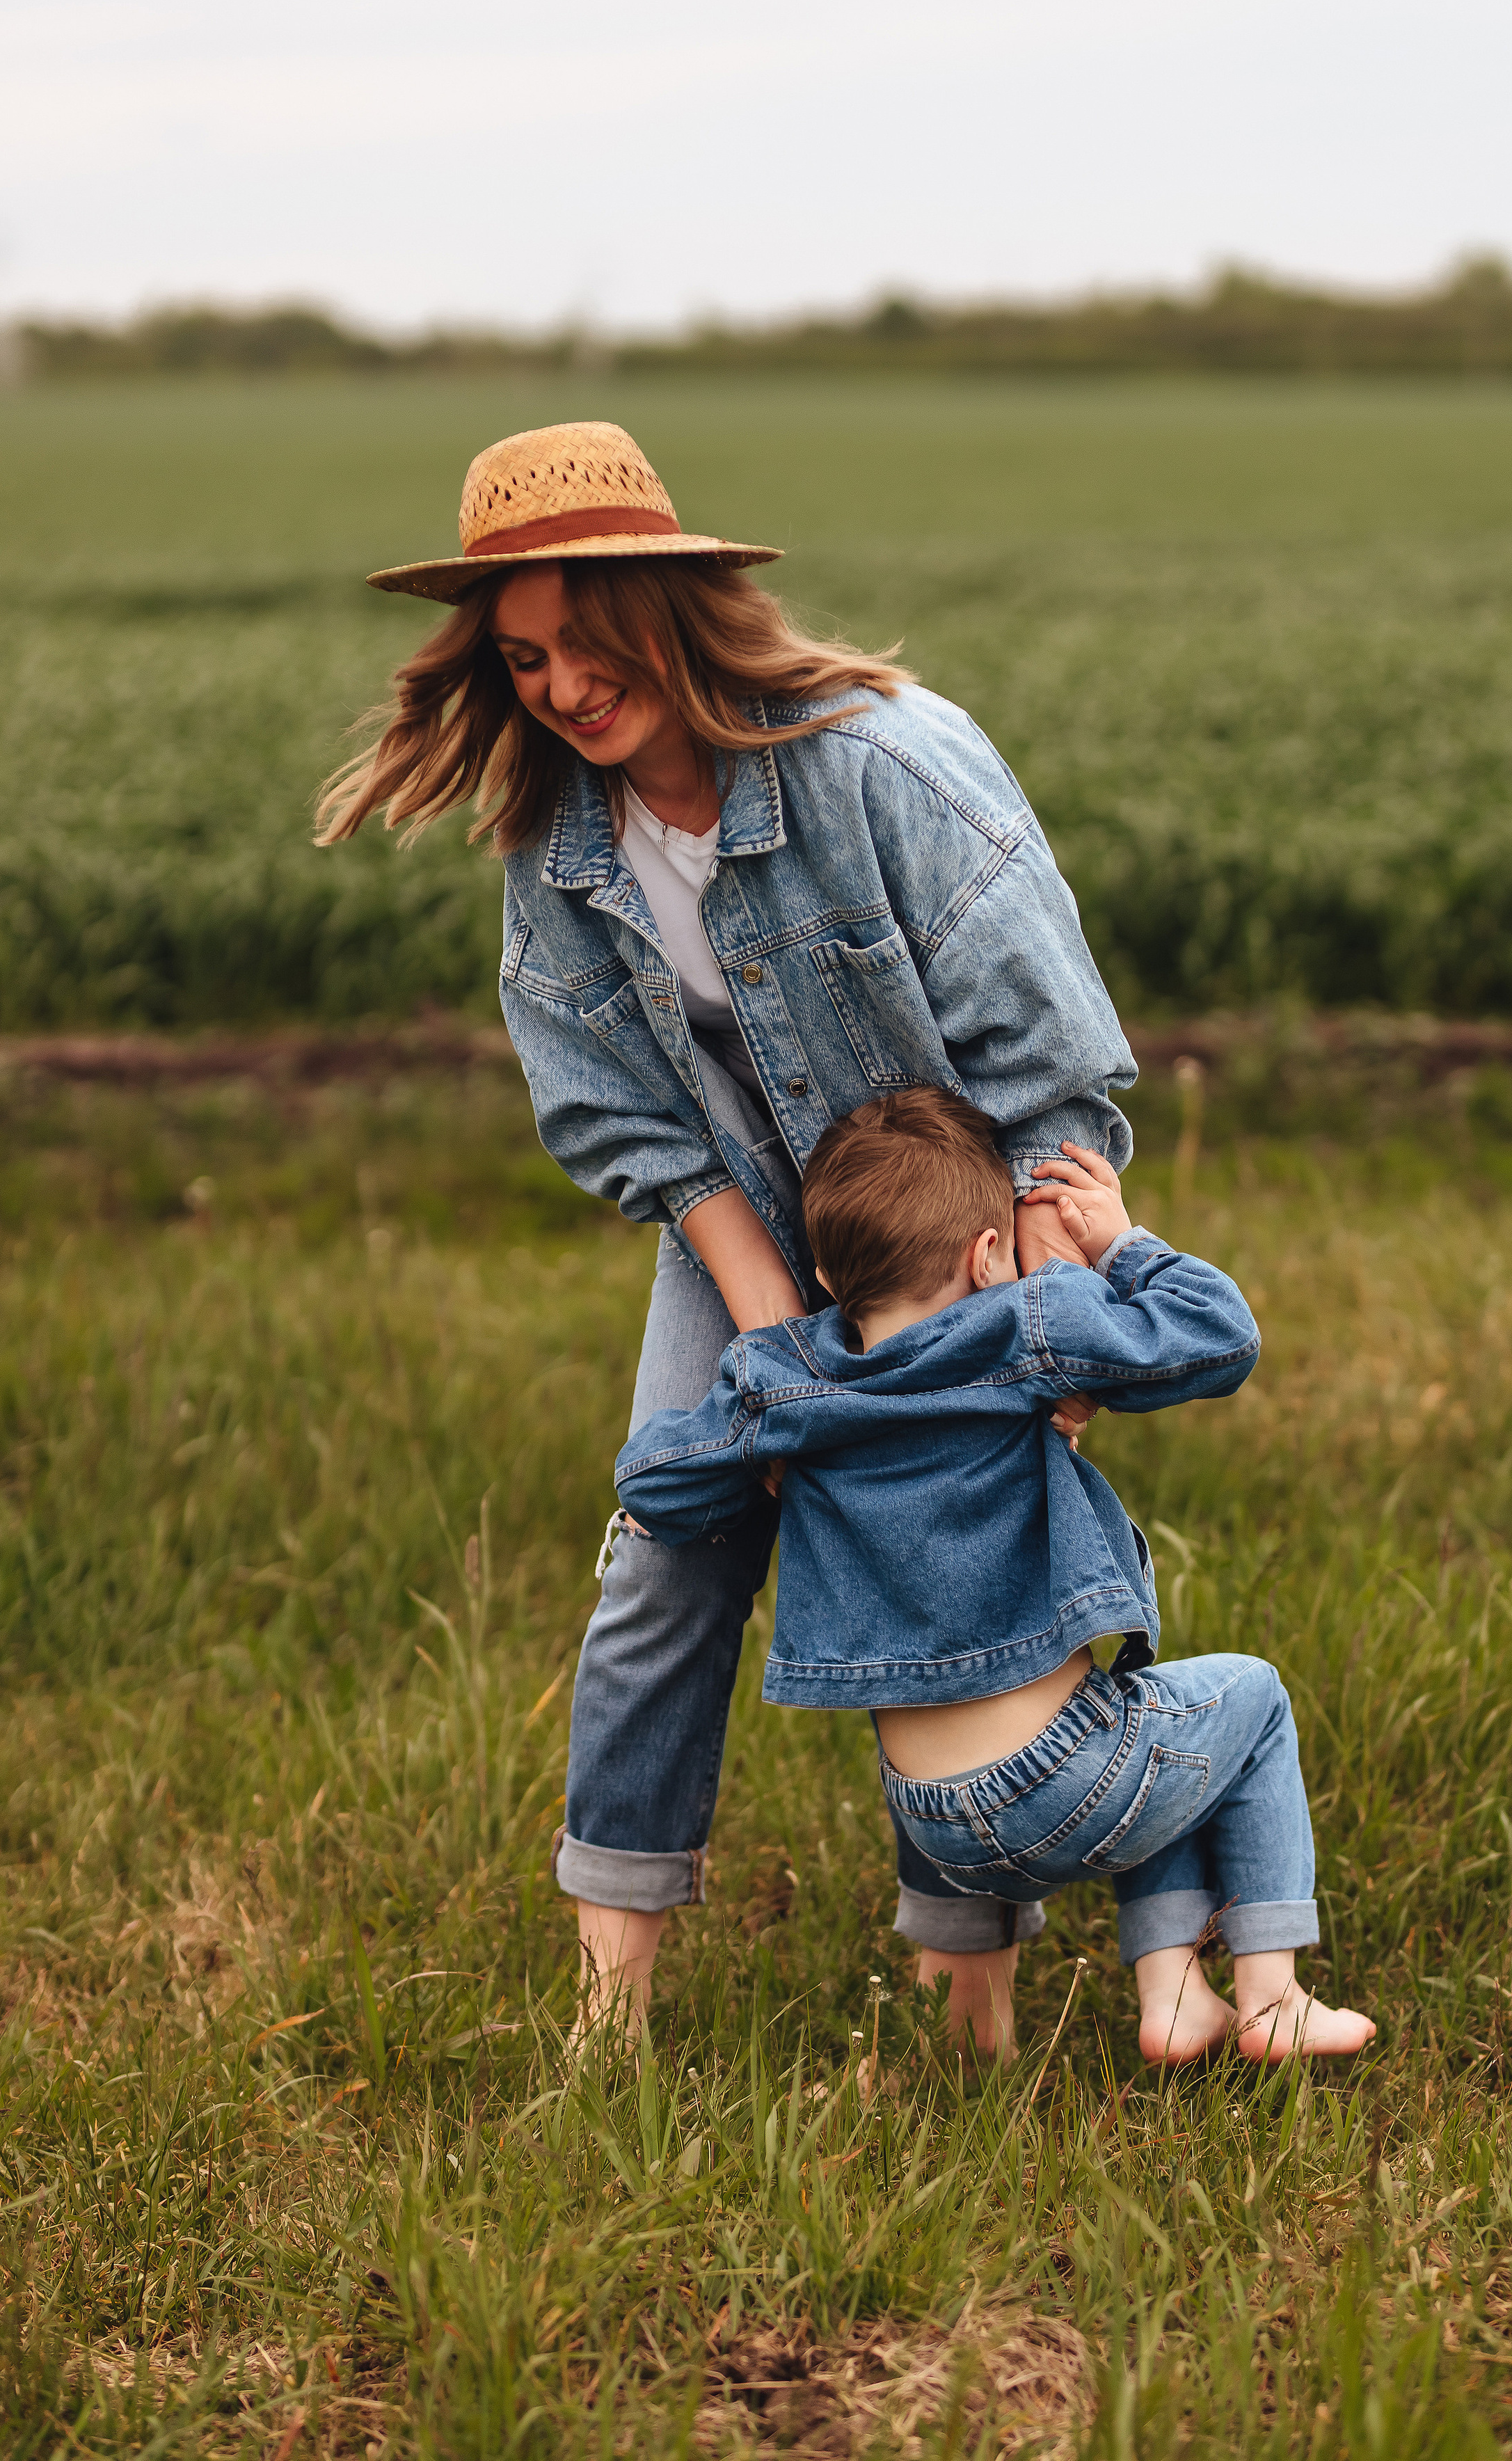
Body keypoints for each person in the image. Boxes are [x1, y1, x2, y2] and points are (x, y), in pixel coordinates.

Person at [317, 419, 1138, 2037]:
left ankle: (967, 2008)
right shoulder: (558, 841)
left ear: (671, 606)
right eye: (524, 656)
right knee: (668, 1544)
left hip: (946, 1218)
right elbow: (619, 1113)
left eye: (583, 639)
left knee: (948, 1558)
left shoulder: (889, 761)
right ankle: (608, 2017)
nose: (557, 687)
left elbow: (1046, 1066)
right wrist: (765, 1328)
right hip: (741, 1229)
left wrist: (1050, 1303)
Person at [614, 1089, 1376, 2065]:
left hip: (931, 1821)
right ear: (985, 1256)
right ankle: (1272, 1996)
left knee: (1165, 1727)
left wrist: (759, 1458)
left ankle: (1175, 1999)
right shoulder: (1022, 1323)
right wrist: (1122, 1246)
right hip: (1061, 1779)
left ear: (823, 1273)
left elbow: (655, 1481)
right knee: (1250, 1703)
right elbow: (1221, 1337)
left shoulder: (785, 1376)